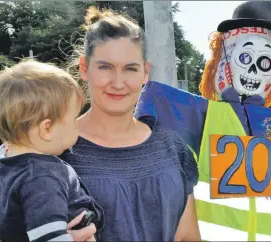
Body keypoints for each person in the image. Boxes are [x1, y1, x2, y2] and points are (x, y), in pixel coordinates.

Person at [134, 1, 271, 241]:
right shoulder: (199, 116)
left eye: (265, 61)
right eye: (245, 56)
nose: (254, 70)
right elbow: (135, 120)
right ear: (225, 55)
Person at [60, 6, 200, 241]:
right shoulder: (55, 150)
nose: (118, 82)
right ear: (84, 68)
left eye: (130, 69)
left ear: (145, 72)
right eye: (105, 67)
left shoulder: (171, 148)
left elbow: (187, 236)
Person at [0, 60, 104, 242]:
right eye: (73, 119)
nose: (77, 125)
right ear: (47, 129)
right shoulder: (42, 176)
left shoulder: (3, 159)